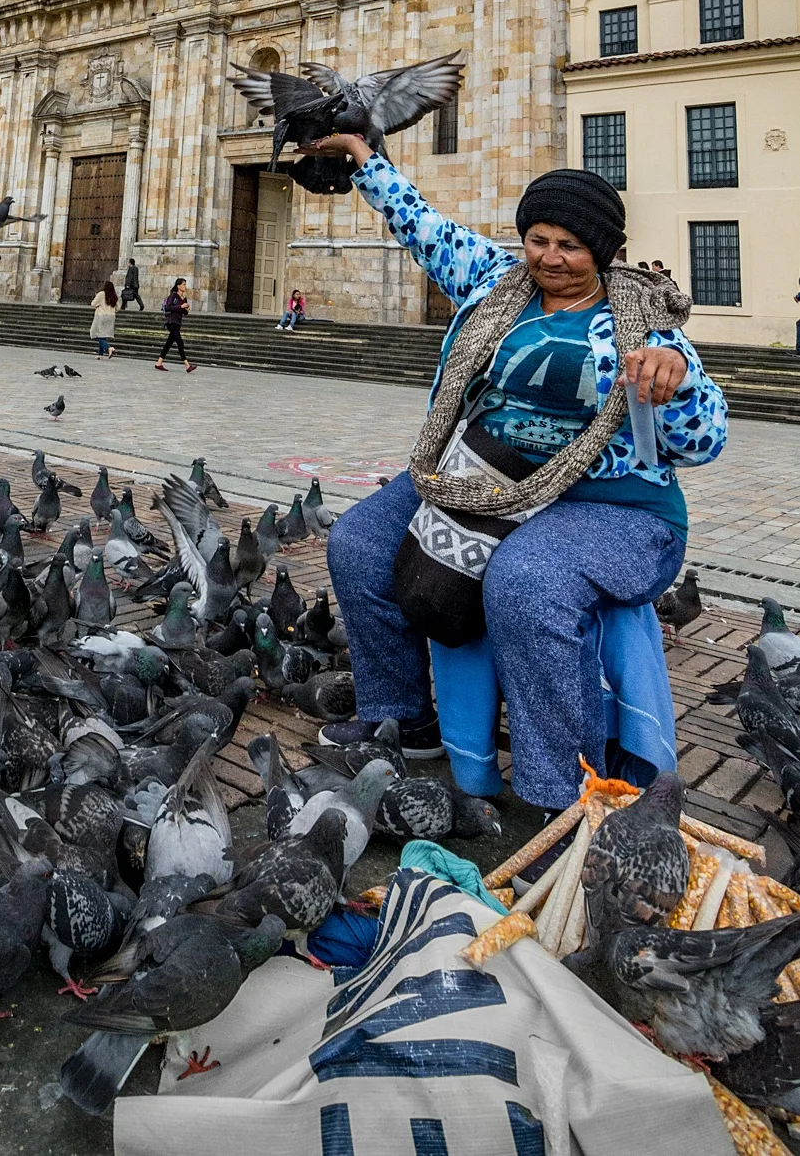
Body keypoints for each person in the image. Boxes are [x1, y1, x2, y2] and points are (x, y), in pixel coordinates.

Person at [304, 130, 727, 819]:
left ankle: (555, 787)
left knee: (526, 580)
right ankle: (398, 718)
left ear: (603, 251)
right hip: (479, 477)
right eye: (537, 238)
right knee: (356, 543)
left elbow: (705, 438)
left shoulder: (644, 325)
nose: (549, 258)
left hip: (611, 507)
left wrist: (672, 386)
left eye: (569, 245)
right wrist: (365, 162)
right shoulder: (497, 284)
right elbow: (424, 226)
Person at [155, 277, 194, 372]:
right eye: (184, 284)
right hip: (171, 322)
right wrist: (180, 306)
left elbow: (184, 313)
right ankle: (187, 365)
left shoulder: (184, 298)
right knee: (180, 343)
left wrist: (186, 309)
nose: (185, 286)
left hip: (178, 322)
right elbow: (168, 307)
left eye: (185, 284)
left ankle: (159, 363)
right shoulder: (173, 296)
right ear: (178, 286)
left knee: (169, 343)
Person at [90, 279, 119, 358]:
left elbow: (93, 304)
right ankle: (100, 354)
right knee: (103, 335)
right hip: (110, 317)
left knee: (96, 333)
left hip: (101, 316)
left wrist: (98, 306)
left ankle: (108, 348)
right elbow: (118, 307)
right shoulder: (114, 295)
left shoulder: (101, 294)